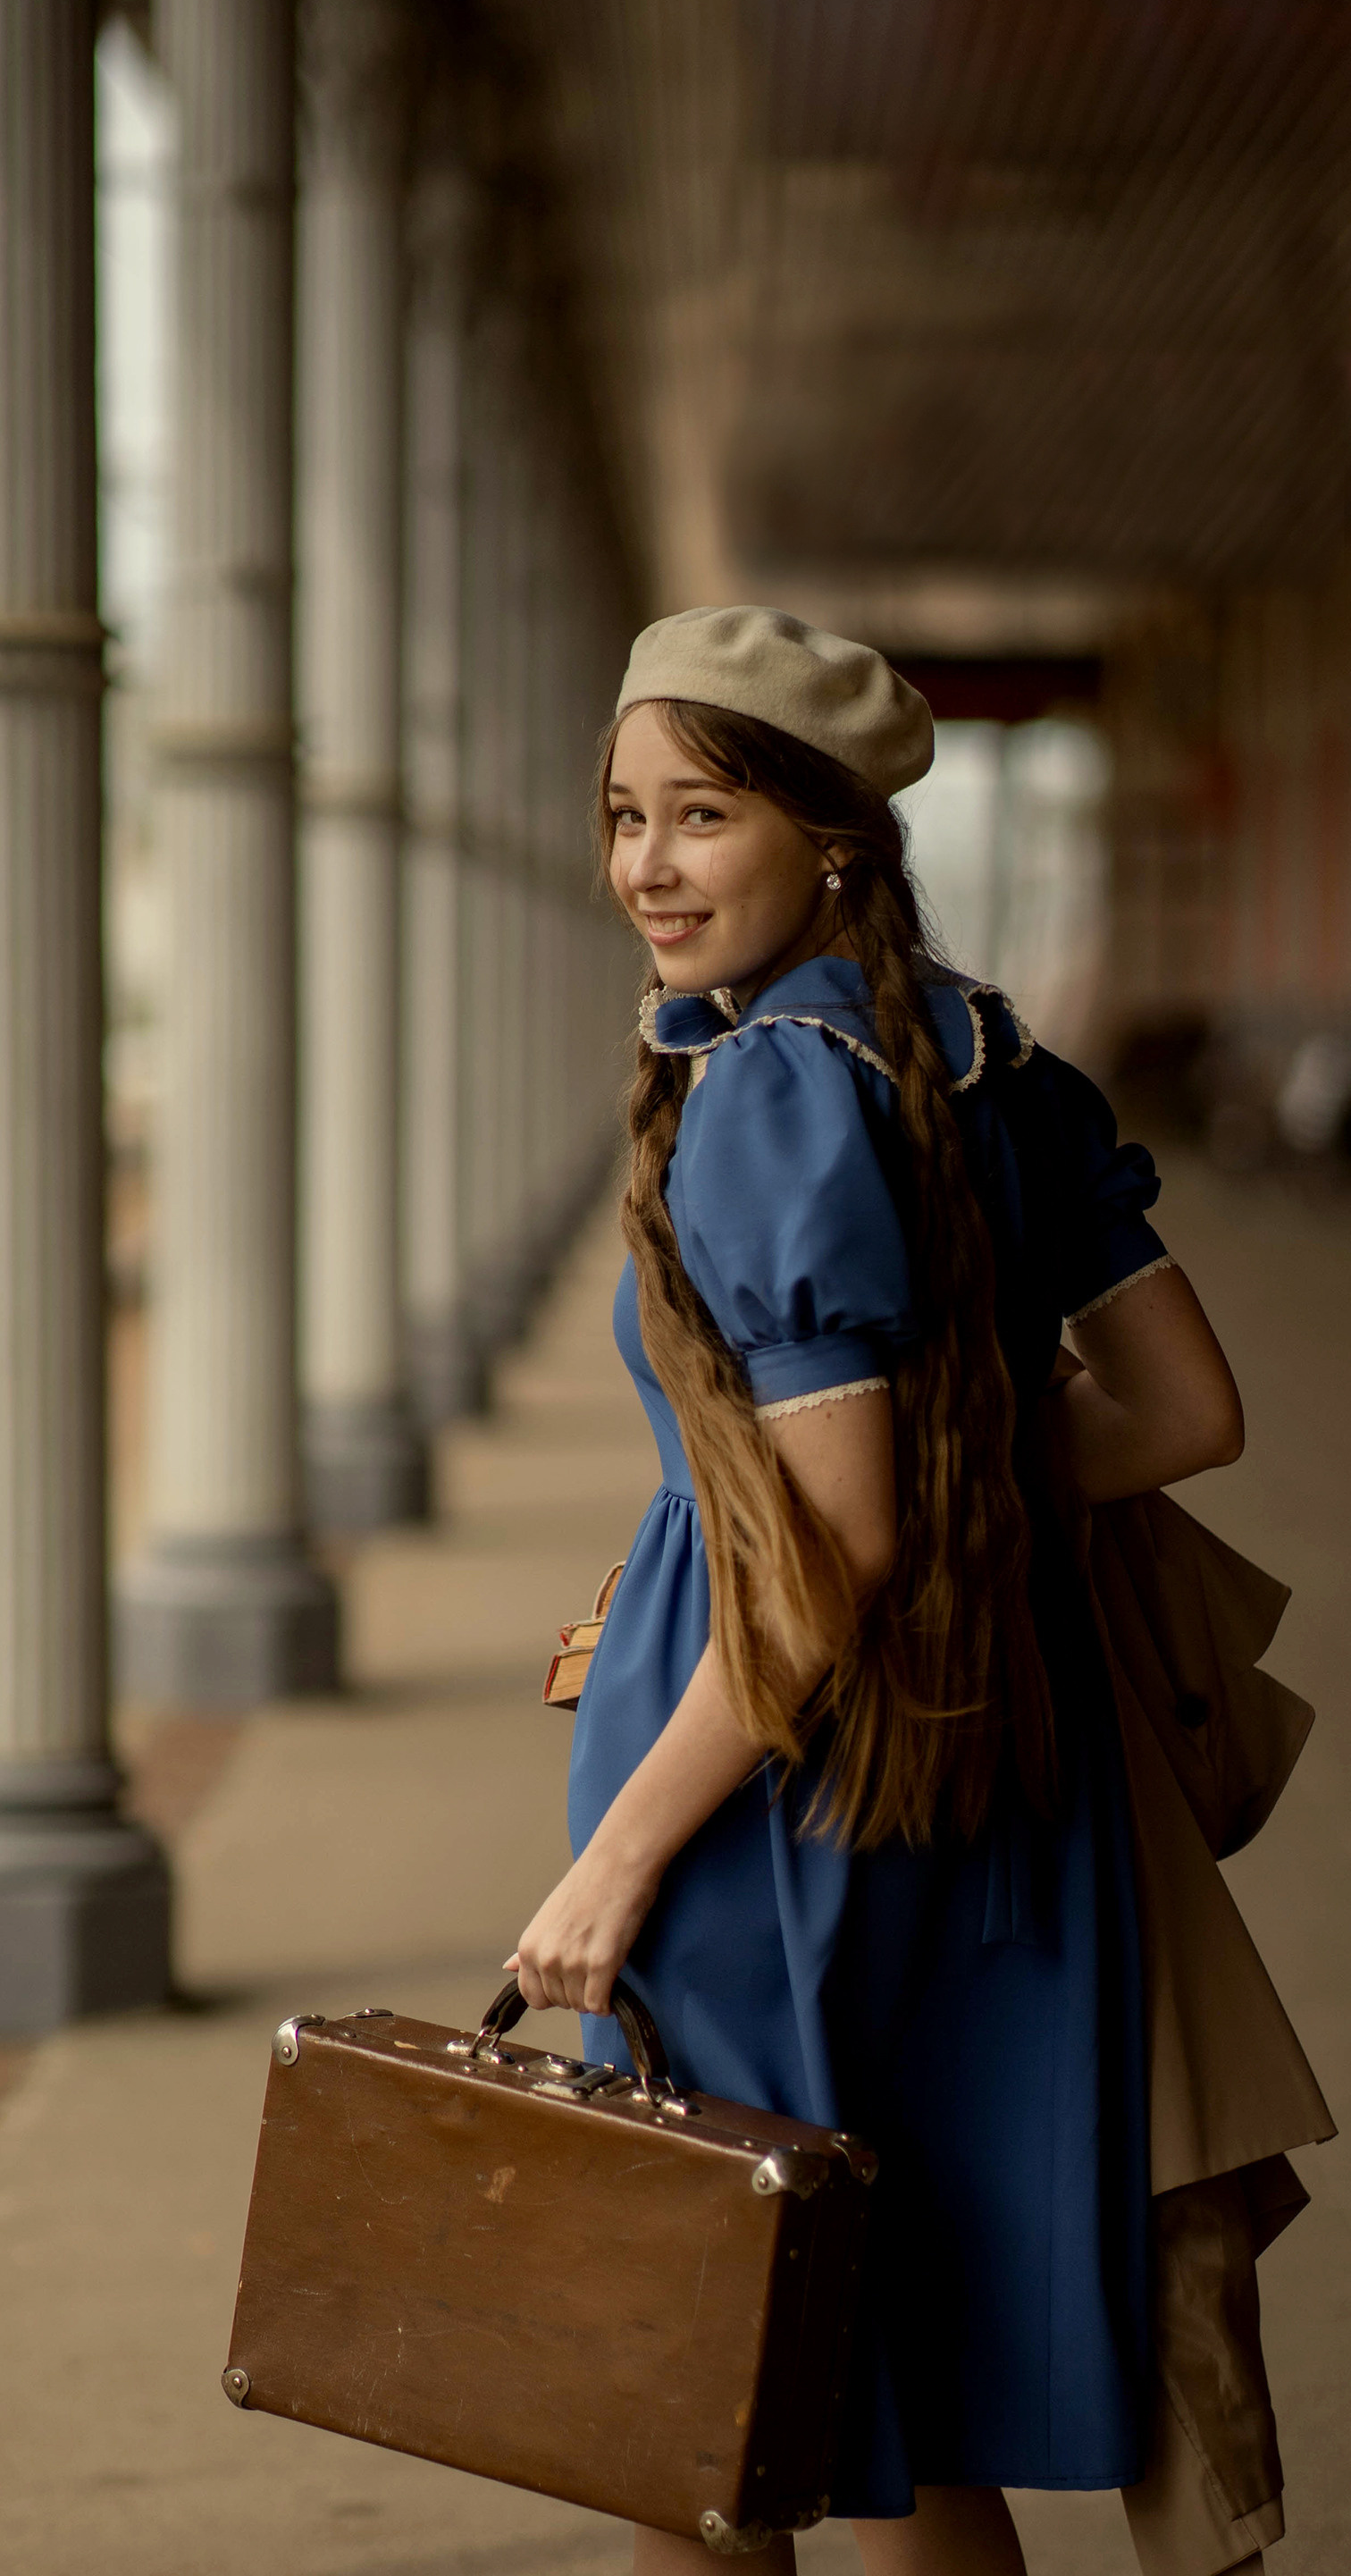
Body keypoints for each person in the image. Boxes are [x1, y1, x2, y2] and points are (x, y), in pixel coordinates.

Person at [508, 607, 1258, 2576]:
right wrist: (962, 1485)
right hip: (975, 1752)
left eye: (699, 815)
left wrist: (617, 1862)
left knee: (687, 2392)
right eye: (619, 816)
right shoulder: (994, 1062)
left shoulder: (770, 1087)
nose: (644, 867)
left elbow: (827, 1549)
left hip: (764, 1785)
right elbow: (1185, 1412)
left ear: (831, 837)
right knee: (886, 2362)